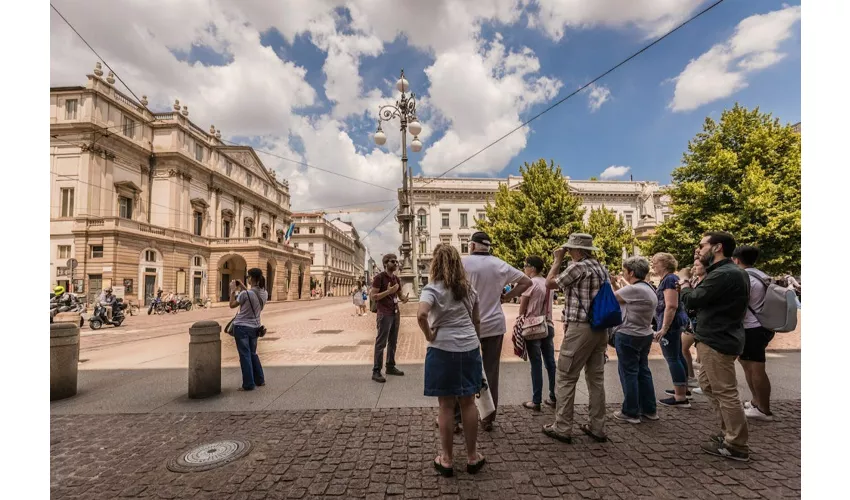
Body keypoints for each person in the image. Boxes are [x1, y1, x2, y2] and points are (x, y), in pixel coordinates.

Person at [680, 231, 751, 461]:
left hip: (718, 338)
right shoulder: (726, 272)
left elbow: (693, 299)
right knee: (710, 386)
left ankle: (736, 444)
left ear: (717, 247)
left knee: (725, 391)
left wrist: (684, 283)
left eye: (702, 246)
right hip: (715, 336)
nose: (698, 250)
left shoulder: (724, 274)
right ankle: (728, 433)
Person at [418, 244, 486, 477]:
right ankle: (472, 457)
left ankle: (446, 459)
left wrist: (429, 334)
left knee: (445, 405)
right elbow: (476, 321)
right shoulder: (468, 289)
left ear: (435, 263)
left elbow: (421, 314)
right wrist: (474, 343)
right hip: (468, 346)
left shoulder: (432, 289)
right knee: (468, 402)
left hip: (442, 348)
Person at [542, 233, 610, 444]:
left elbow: (550, 283)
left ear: (578, 250)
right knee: (596, 379)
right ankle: (597, 427)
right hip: (600, 327)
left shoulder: (578, 267)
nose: (568, 252)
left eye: (570, 249)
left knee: (566, 376)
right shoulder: (600, 267)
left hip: (581, 327)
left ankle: (562, 427)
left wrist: (556, 261)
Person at [462, 231, 531, 430]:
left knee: (464, 369)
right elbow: (526, 282)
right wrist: (508, 297)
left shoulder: (463, 264)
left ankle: (458, 416)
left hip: (468, 324)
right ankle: (488, 417)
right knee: (491, 371)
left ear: (473, 246)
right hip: (494, 324)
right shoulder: (500, 264)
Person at [610, 256, 658, 424]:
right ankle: (649, 409)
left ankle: (630, 411)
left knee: (628, 372)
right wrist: (616, 284)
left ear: (631, 272)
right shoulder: (647, 288)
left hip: (629, 334)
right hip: (644, 333)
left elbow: (611, 299)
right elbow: (623, 296)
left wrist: (608, 283)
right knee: (643, 371)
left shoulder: (634, 289)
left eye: (625, 271)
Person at [731, 245, 775, 422]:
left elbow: (739, 304)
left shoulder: (746, 278)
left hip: (752, 328)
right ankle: (756, 401)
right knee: (747, 364)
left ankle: (763, 408)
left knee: (755, 368)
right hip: (760, 325)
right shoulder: (760, 274)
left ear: (736, 260)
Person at [651, 253, 691, 407]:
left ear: (664, 264)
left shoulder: (669, 279)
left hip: (670, 323)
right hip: (674, 322)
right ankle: (682, 389)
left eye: (655, 262)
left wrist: (664, 328)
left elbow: (671, 305)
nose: (653, 264)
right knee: (678, 355)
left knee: (672, 358)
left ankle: (680, 396)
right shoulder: (670, 279)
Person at [519, 255, 557, 412]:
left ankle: (536, 401)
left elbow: (522, 308)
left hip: (533, 326)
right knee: (550, 363)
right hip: (548, 325)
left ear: (533, 268)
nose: (524, 268)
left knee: (536, 364)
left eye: (526, 265)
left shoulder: (530, 283)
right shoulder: (548, 283)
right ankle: (554, 397)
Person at [370, 254, 409, 383]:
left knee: (393, 341)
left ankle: (390, 366)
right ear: (386, 263)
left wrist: (404, 299)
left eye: (397, 261)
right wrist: (388, 292)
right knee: (381, 342)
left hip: (395, 312)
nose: (396, 263)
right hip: (384, 313)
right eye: (393, 261)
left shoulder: (396, 279)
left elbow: (400, 295)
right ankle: (376, 371)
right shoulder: (379, 278)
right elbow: (373, 296)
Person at [229, 268, 267, 391]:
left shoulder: (246, 294)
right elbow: (251, 295)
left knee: (245, 355)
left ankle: (249, 384)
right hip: (255, 327)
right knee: (252, 353)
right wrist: (243, 287)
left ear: (252, 278)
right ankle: (260, 380)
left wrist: (232, 290)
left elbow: (232, 304)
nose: (248, 279)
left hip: (242, 327)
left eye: (248, 277)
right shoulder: (264, 293)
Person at [683, 258, 706, 390]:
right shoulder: (696, 280)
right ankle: (692, 378)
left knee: (704, 353)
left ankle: (705, 383)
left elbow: (693, 298)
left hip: (699, 321)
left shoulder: (707, 280)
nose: (694, 267)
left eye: (697, 265)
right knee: (684, 347)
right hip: (692, 321)